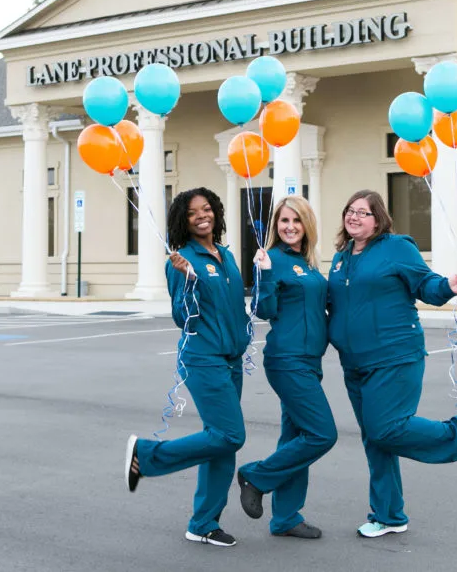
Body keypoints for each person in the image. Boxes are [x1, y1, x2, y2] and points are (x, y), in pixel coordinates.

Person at [327, 189, 457, 539]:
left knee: (386, 429)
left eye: (363, 212)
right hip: (354, 363)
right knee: (376, 440)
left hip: (394, 355)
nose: (354, 216)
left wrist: (447, 285)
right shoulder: (341, 258)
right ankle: (389, 516)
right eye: (350, 210)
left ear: (378, 219)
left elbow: (425, 284)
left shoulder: (396, 247)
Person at [125, 187, 249, 547]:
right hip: (203, 358)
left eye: (206, 209)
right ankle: (146, 455)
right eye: (193, 212)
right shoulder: (181, 260)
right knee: (230, 435)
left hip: (231, 359)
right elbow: (182, 316)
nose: (201, 216)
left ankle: (203, 523)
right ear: (184, 219)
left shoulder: (226, 255)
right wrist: (189, 280)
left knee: (221, 442)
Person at [236, 195, 336, 540]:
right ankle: (255, 476)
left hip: (310, 360)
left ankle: (285, 517)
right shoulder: (272, 259)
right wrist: (263, 273)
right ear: (275, 226)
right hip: (287, 361)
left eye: (296, 220)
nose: (290, 227)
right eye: (284, 221)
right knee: (322, 434)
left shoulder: (308, 263)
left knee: (296, 437)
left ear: (307, 225)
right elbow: (264, 310)